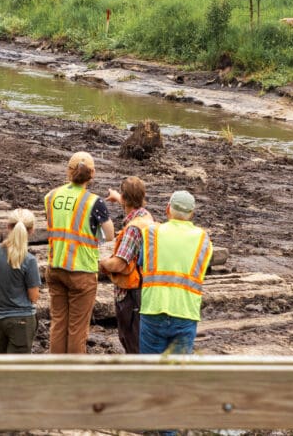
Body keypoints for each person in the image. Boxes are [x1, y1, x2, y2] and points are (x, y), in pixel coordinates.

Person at [44, 151, 115, 354]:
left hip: (55, 266)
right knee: (77, 329)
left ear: (68, 171)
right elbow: (109, 235)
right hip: (82, 271)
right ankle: (74, 370)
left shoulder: (51, 196)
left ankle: (56, 367)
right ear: (92, 174)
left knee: (58, 323)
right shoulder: (94, 202)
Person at [138, 190, 212, 355]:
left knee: (150, 367)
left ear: (168, 209)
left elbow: (142, 264)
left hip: (153, 308)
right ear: (192, 213)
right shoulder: (203, 239)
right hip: (185, 312)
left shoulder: (151, 233)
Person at [99, 176, 153, 353]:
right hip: (145, 286)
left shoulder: (132, 229)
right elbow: (131, 204)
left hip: (131, 293)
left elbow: (118, 264)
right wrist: (117, 197)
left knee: (131, 339)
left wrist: (100, 264)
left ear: (125, 198)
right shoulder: (146, 217)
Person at [0, 208, 41, 354]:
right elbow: (34, 297)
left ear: (8, 226)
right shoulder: (29, 260)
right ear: (32, 230)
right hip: (22, 320)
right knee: (17, 366)